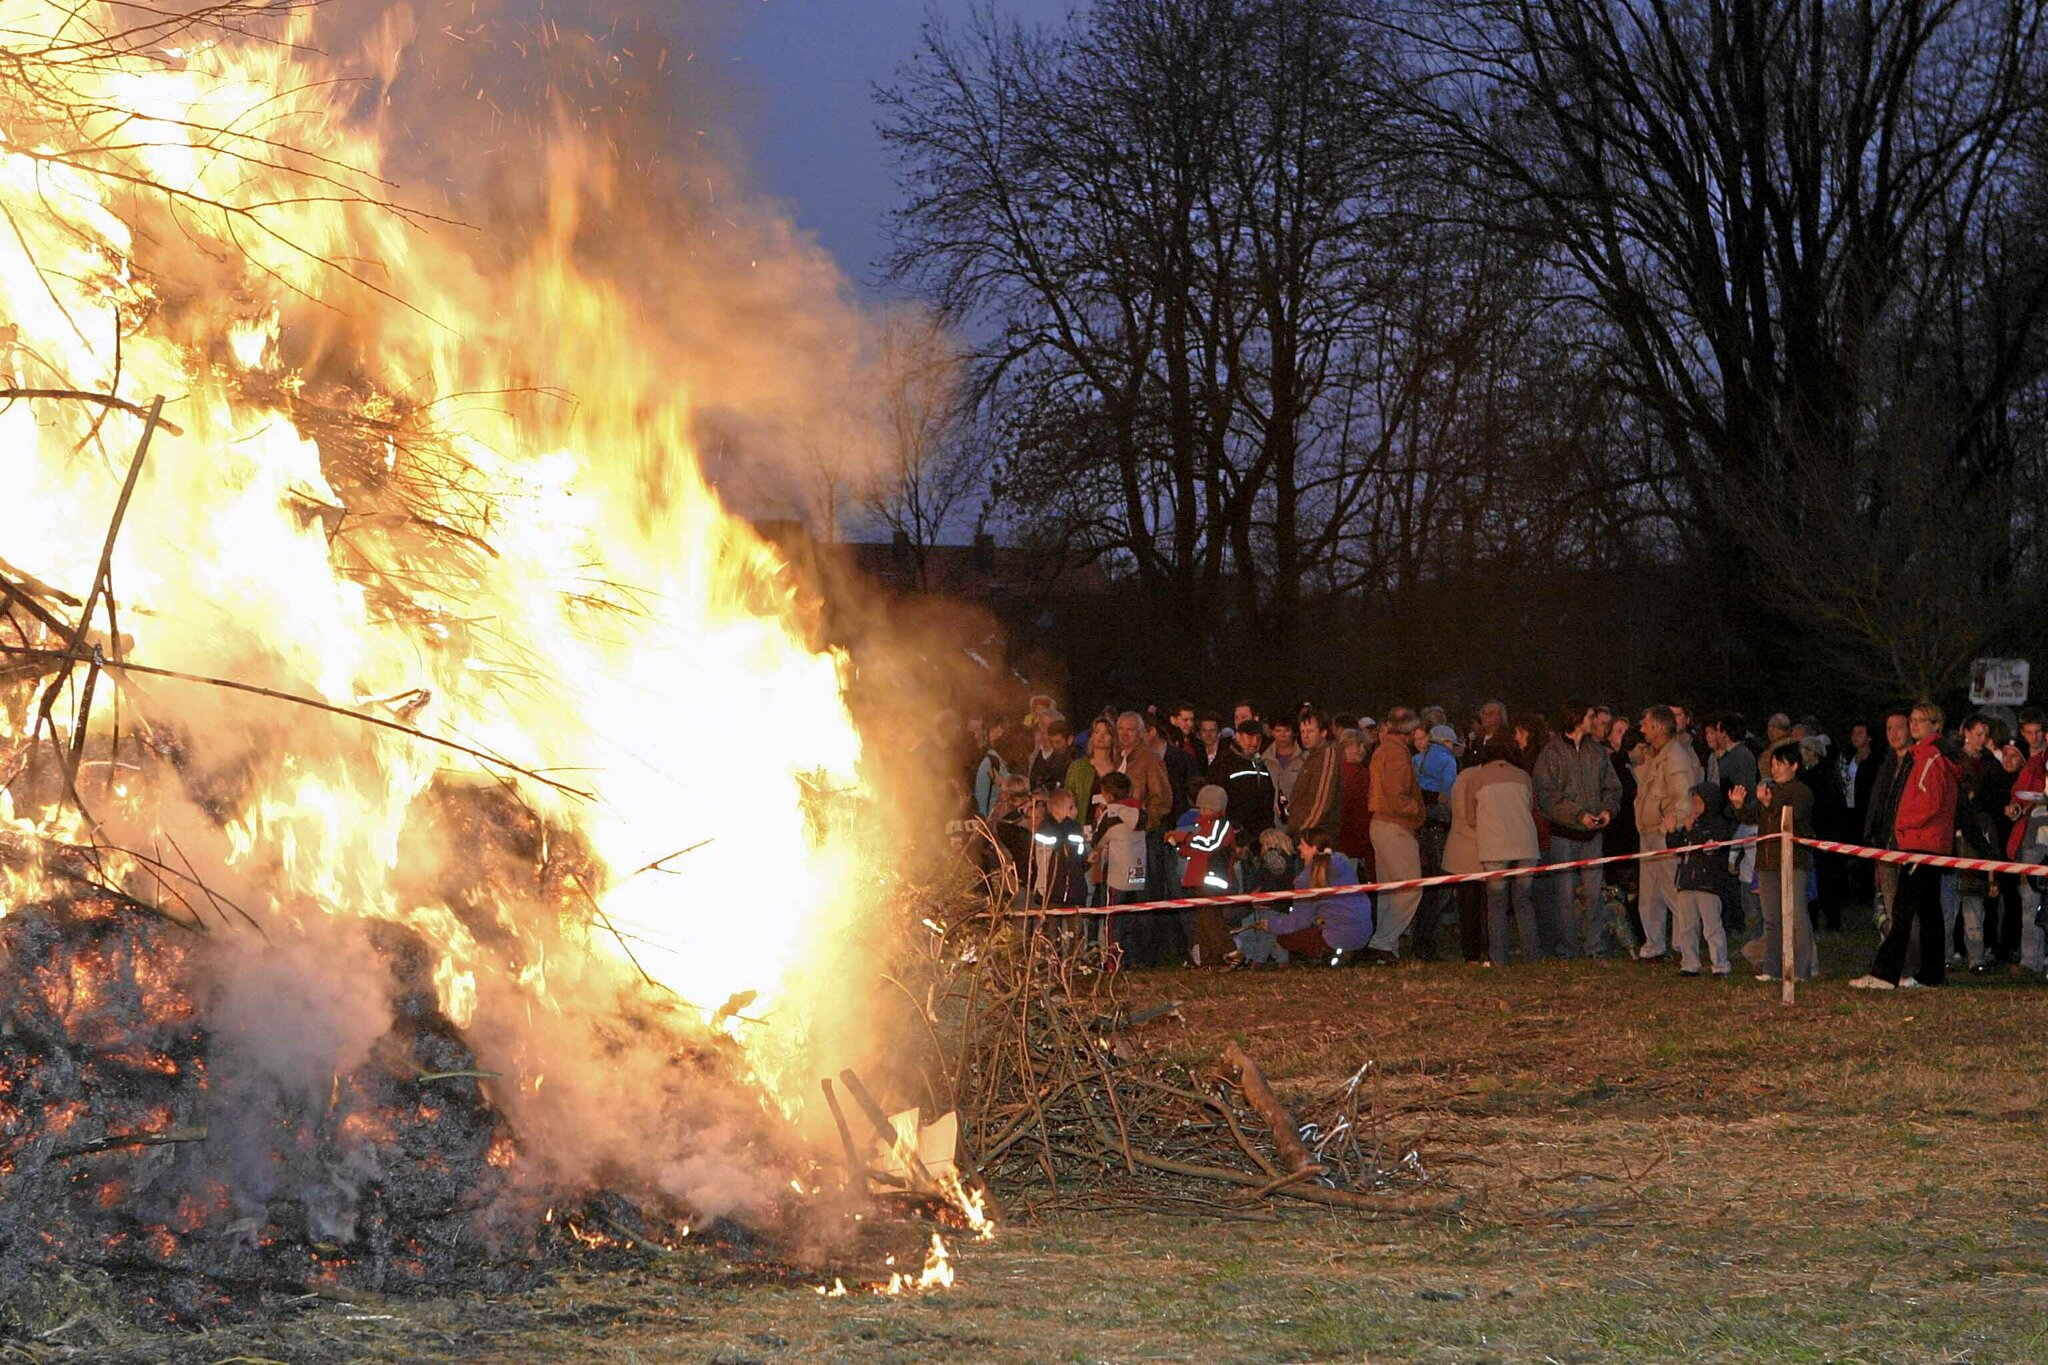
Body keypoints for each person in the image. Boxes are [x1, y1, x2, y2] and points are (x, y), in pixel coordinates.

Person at [1853, 703, 1960, 990]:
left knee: (1902, 909)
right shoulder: (1925, 755)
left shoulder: (1930, 757)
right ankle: (1932, 974)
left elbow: (1930, 802)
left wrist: (1903, 826)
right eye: (1911, 720)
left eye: (1919, 721)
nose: (1914, 725)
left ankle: (1885, 974)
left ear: (1935, 724)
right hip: (1927, 841)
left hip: (1921, 842)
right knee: (1928, 910)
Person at [1533, 700, 1624, 957]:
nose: (1594, 721)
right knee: (1564, 896)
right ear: (1577, 719)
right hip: (1563, 836)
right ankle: (1568, 947)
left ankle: (1594, 945)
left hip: (1592, 836)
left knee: (1594, 894)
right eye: (1590, 716)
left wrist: (1607, 811)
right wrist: (1577, 815)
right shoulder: (1551, 754)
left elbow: (1612, 787)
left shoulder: (1596, 752)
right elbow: (1546, 796)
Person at [1729, 746, 1819, 980]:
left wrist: (1770, 805)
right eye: (1773, 765)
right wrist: (1739, 806)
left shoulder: (1802, 791)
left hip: (1793, 862)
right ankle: (1773, 968)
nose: (1775, 769)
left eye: (1780, 764)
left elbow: (1791, 817)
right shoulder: (1770, 792)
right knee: (1772, 919)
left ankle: (1801, 970)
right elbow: (1753, 817)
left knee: (1797, 916)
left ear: (1794, 765)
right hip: (1767, 863)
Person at [1231, 832, 1373, 967]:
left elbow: (1299, 920)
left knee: (1283, 936)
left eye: (1302, 844)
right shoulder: (1344, 866)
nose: (1298, 847)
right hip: (1363, 935)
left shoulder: (1306, 878)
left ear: (1313, 848)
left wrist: (1270, 925)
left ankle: (1327, 952)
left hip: (1338, 936)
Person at [1463, 736, 1541, 965]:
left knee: (1496, 903)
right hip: (1526, 845)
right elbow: (1531, 807)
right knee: (1524, 901)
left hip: (1494, 848)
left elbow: (1470, 817)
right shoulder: (1523, 776)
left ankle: (1498, 958)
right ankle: (1532, 956)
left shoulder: (1476, 779)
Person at [1633, 705, 1703, 960]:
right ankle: (1654, 944)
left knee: (1673, 892)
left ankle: (1687, 946)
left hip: (1663, 834)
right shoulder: (1657, 755)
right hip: (1648, 832)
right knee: (1650, 893)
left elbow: (1684, 797)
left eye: (1646, 724)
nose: (1641, 729)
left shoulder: (1675, 757)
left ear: (1659, 727)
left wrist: (1668, 830)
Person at [1365, 709, 1428, 962]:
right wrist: (1418, 809)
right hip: (1396, 826)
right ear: (1409, 730)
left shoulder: (1382, 750)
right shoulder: (1398, 753)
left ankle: (1385, 946)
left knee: (1390, 891)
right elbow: (1396, 795)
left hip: (1381, 824)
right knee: (1410, 887)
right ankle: (1384, 942)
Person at [1167, 784, 1239, 966]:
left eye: (1208, 808)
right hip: (1198, 879)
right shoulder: (1202, 826)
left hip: (1214, 880)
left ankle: (1231, 953)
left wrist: (1186, 838)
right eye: (1202, 808)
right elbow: (1193, 851)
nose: (1204, 811)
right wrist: (1179, 844)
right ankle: (1210, 960)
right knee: (1202, 922)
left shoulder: (1221, 826)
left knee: (1211, 919)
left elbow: (1209, 844)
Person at [1668, 782, 1734, 976]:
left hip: (1708, 884)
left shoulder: (1718, 824)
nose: (1695, 808)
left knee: (1712, 927)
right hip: (1687, 881)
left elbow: (1709, 848)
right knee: (1687, 927)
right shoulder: (1692, 823)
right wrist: (1672, 831)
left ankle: (1720, 964)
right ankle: (1689, 963)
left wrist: (1691, 830)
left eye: (1699, 803)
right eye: (1693, 803)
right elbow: (1677, 849)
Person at [1088, 770, 1149, 961]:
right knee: (1132, 915)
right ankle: (1132, 957)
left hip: (1116, 873)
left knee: (1112, 917)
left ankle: (1111, 959)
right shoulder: (1141, 811)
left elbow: (1097, 840)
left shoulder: (1111, 814)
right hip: (1137, 871)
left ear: (1108, 795)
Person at [1210, 720, 1277, 881]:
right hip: (1233, 841)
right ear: (1238, 736)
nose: (1254, 742)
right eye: (1249, 737)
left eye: (1258, 738)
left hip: (1259, 841)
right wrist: (1235, 834)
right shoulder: (1224, 762)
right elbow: (1216, 803)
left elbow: (1267, 799)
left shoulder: (1260, 764)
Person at [1287, 707, 1344, 849]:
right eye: (1302, 732)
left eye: (1310, 731)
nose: (1305, 736)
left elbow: (1322, 801)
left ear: (1323, 732)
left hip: (1316, 838)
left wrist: (1303, 832)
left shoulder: (1327, 755)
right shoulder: (1312, 756)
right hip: (1306, 834)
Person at [1067, 718, 1119, 820]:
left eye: (1106, 733)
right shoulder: (1078, 767)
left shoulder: (1119, 767)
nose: (1101, 736)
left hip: (1112, 824)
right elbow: (1068, 796)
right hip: (1083, 824)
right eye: (1097, 732)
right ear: (1092, 736)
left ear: (1113, 738)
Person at [1266, 717, 1304, 822]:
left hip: (1299, 819)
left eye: (1287, 730)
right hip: (1271, 820)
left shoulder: (1305, 759)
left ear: (1294, 733)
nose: (1282, 735)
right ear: (1272, 733)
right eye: (1278, 731)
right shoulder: (1264, 760)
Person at [973, 721, 1013, 817]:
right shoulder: (990, 761)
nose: (997, 736)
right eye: (994, 732)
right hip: (986, 817)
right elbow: (1007, 787)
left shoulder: (998, 760)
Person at [1028, 716, 1074, 795]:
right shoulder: (1051, 761)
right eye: (1051, 742)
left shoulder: (1078, 760)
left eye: (1058, 742)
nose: (1054, 746)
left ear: (1069, 740)